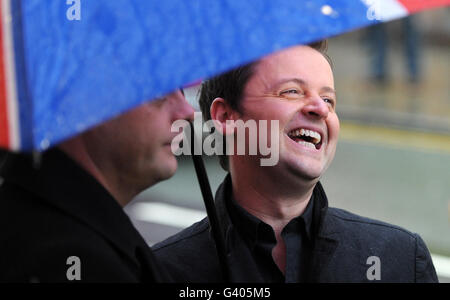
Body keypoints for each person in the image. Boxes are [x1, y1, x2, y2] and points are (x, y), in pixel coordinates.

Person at [152, 41, 438, 282]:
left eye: (329, 100)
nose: (319, 109)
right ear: (227, 117)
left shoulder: (400, 260)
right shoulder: (163, 272)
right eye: (292, 91)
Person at [0, 89, 194, 282]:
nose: (187, 111)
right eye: (158, 91)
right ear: (82, 104)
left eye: (181, 89)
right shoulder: (66, 257)